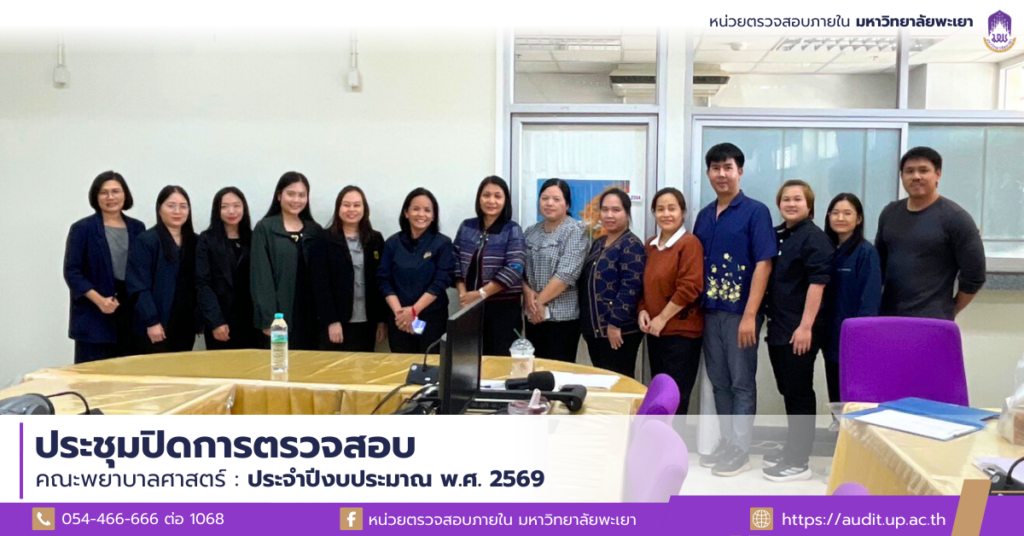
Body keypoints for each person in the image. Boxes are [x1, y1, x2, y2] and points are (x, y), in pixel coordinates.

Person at [693, 143, 776, 477]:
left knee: (742, 383)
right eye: (715, 168)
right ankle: (728, 443)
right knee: (720, 383)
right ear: (708, 173)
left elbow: (764, 264)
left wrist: (750, 315)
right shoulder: (704, 215)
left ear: (740, 171)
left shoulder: (756, 212)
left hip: (741, 313)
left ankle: (741, 450)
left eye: (727, 167)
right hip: (710, 312)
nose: (721, 174)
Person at [761, 180, 832, 483]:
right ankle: (792, 448)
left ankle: (799, 461)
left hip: (799, 331)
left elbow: (818, 285)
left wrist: (805, 327)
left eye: (797, 199)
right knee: (788, 390)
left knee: (800, 393)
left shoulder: (815, 239)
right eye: (786, 199)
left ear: (809, 205)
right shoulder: (779, 235)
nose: (791, 204)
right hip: (778, 327)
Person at [875, 147, 986, 320]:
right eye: (909, 171)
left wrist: (950, 310)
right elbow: (878, 265)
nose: (916, 176)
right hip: (888, 316)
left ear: (938, 174)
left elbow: (975, 276)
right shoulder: (890, 213)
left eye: (923, 170)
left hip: (931, 320)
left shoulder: (956, 218)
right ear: (901, 176)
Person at [63, 171, 146, 363]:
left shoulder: (137, 228)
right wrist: (100, 301)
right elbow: (72, 272)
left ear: (125, 194)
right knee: (93, 375)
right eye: (104, 192)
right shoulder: (82, 228)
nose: (110, 197)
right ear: (95, 196)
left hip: (129, 312)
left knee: (128, 373)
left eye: (116, 191)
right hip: (94, 314)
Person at [638, 188, 704, 412]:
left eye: (672, 209)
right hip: (655, 332)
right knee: (659, 395)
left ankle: (675, 436)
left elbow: (690, 287)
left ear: (682, 212)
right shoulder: (651, 245)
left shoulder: (689, 243)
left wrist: (662, 318)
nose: (666, 214)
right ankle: (659, 433)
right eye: (660, 209)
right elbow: (643, 284)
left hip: (681, 334)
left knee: (676, 396)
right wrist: (642, 310)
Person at [453, 176, 527, 356]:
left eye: (497, 196)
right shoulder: (467, 227)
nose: (491, 201)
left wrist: (481, 294)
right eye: (486, 195)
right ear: (479, 198)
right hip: (469, 306)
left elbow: (515, 267)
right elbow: (454, 259)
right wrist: (463, 294)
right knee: (469, 359)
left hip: (503, 309)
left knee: (499, 360)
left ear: (505, 200)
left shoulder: (512, 229)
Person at [819, 193, 881, 404]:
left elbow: (869, 303)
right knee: (836, 396)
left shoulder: (866, 253)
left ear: (859, 219)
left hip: (855, 340)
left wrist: (860, 338)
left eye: (847, 213)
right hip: (830, 337)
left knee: (855, 399)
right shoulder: (826, 250)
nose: (840, 218)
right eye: (835, 213)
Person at [377, 188, 456, 354]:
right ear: (406, 213)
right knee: (401, 365)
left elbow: (440, 282)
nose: (421, 214)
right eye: (416, 209)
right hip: (399, 319)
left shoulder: (442, 243)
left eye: (427, 210)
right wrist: (401, 314)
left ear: (433, 216)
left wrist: (413, 312)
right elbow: (383, 280)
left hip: (431, 319)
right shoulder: (392, 243)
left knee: (431, 363)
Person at [311, 186, 388, 352]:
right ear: (338, 208)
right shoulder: (323, 239)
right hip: (336, 323)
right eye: (346, 205)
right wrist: (331, 321)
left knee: (364, 366)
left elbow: (381, 282)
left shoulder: (375, 239)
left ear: (364, 209)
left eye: (357, 205)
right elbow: (320, 284)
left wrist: (381, 320)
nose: (351, 209)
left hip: (368, 322)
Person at [251, 172, 322, 350]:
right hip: (280, 318)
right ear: (279, 195)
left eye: (302, 195)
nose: (296, 200)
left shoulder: (315, 230)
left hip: (311, 316)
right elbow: (261, 279)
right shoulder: (265, 228)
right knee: (280, 362)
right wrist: (269, 319)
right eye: (291, 194)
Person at [580, 188, 646, 377]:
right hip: (596, 331)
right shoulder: (599, 243)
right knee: (602, 382)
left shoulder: (631, 245)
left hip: (619, 331)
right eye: (605, 210)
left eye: (616, 210)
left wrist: (615, 323)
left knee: (618, 382)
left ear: (627, 213)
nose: (609, 215)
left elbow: (631, 287)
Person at [126, 185, 198, 354]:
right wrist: (152, 321)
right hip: (157, 325)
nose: (177, 211)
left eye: (183, 206)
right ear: (159, 209)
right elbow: (138, 286)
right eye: (171, 206)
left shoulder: (195, 241)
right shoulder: (146, 241)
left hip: (185, 323)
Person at [524, 179, 588, 362]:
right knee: (534, 370)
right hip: (533, 316)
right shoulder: (530, 232)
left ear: (567, 205)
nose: (549, 203)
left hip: (562, 318)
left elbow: (566, 274)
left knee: (559, 373)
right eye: (545, 198)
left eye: (556, 199)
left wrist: (539, 302)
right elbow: (519, 269)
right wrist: (527, 294)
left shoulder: (576, 231)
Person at [195, 187, 260, 351]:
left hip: (251, 319)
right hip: (220, 320)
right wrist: (216, 321)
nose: (231, 211)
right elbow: (203, 284)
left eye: (237, 205)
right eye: (224, 206)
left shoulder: (254, 238)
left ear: (244, 208)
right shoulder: (207, 239)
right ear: (217, 210)